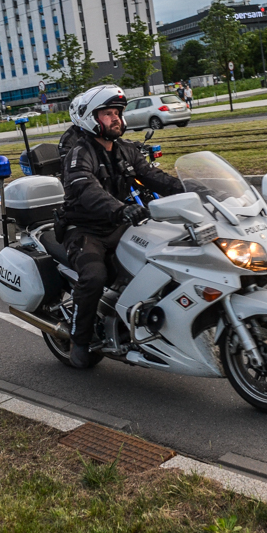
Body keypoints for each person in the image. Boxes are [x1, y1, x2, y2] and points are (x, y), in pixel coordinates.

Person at [60, 84, 185, 368]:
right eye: (108, 113)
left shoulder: (126, 150)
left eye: (117, 112)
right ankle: (79, 340)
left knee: (162, 256)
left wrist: (195, 190)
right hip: (84, 230)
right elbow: (87, 190)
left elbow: (156, 178)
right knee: (94, 276)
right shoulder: (79, 154)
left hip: (119, 224)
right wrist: (120, 209)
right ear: (91, 118)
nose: (115, 118)